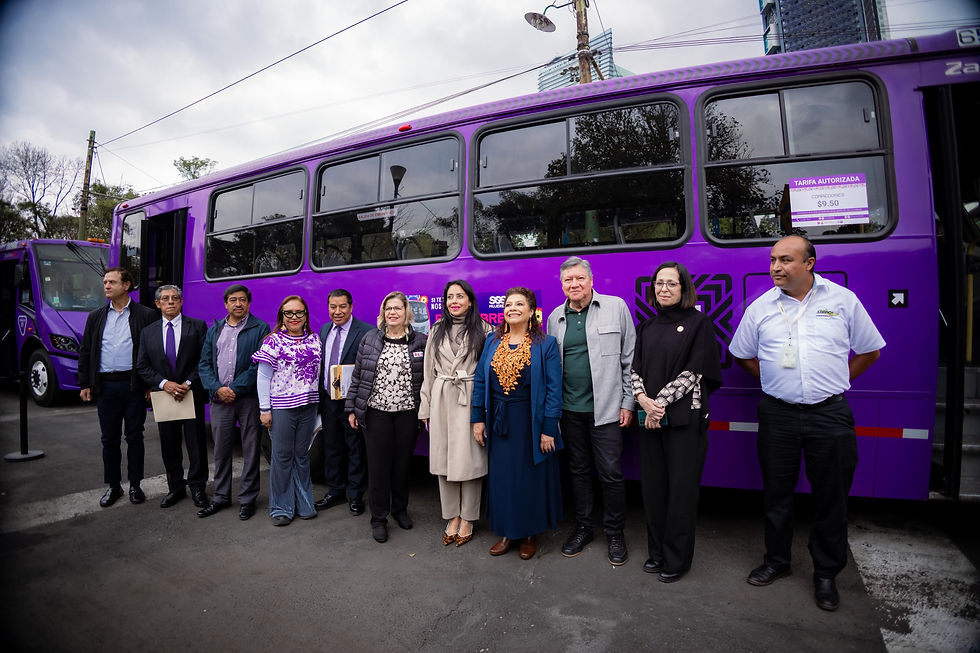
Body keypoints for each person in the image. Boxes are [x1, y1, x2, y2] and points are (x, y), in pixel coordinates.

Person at [730, 235, 885, 611]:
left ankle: (826, 574)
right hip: (778, 413)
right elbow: (742, 355)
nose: (775, 268)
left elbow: (870, 350)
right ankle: (777, 562)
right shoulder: (761, 307)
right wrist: (773, 382)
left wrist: (837, 382)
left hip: (829, 413)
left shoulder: (842, 301)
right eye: (772, 260)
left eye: (785, 260)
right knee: (777, 496)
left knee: (831, 498)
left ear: (809, 263)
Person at [631, 262, 722, 583]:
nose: (664, 289)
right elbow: (635, 370)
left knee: (680, 493)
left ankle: (677, 559)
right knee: (654, 491)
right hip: (651, 421)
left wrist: (660, 403)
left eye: (671, 283)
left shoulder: (699, 324)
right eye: (659, 283)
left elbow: (696, 370)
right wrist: (643, 400)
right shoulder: (646, 327)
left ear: (684, 288)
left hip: (685, 420)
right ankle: (657, 554)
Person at [546, 256, 635, 566]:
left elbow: (629, 359)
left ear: (591, 280)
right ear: (562, 285)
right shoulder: (556, 317)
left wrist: (628, 402)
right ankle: (584, 527)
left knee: (611, 474)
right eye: (568, 280)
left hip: (607, 410)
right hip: (569, 411)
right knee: (579, 471)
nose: (574, 284)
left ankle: (615, 532)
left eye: (579, 278)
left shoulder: (616, 307)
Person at [472, 287, 563, 560]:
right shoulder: (491, 341)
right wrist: (477, 418)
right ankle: (507, 532)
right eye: (509, 304)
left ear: (531, 310)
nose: (512, 308)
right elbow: (479, 380)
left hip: (530, 423)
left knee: (528, 479)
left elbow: (554, 389)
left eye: (519, 304)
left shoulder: (545, 343)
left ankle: (529, 533)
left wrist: (548, 428)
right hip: (499, 422)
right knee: (503, 479)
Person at [346, 291, 427, 544]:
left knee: (402, 465)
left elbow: (427, 379)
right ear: (383, 313)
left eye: (398, 309)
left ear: (407, 313)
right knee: (379, 468)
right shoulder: (370, 339)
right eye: (388, 308)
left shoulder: (421, 341)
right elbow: (358, 376)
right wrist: (352, 408)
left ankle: (400, 510)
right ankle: (379, 518)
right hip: (376, 412)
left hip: (407, 414)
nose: (392, 312)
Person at [419, 280, 492, 547]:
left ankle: (469, 517)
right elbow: (428, 372)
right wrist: (425, 407)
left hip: (469, 397)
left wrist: (483, 410)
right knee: (444, 460)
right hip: (440, 397)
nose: (454, 301)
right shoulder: (437, 330)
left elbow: (487, 374)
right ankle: (451, 515)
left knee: (469, 461)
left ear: (470, 301)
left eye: (460, 296)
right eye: (450, 297)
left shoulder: (485, 330)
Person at [78, 267, 157, 507]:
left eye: (112, 282)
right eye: (104, 282)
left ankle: (135, 485)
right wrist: (85, 382)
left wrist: (151, 384)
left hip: (133, 385)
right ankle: (114, 487)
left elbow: (154, 352)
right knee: (109, 439)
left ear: (127, 285)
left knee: (134, 436)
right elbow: (86, 351)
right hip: (105, 386)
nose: (106, 286)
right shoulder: (96, 317)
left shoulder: (146, 315)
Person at [197, 284, 271, 520]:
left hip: (247, 400)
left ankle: (247, 500)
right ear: (226, 303)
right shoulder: (215, 328)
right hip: (220, 400)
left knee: (250, 450)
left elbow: (258, 365)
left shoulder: (260, 328)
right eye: (232, 300)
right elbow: (205, 364)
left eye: (242, 300)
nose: (238, 304)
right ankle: (220, 497)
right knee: (221, 451)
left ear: (249, 303)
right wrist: (218, 388)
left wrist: (234, 390)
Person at [136, 285, 209, 509]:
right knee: (169, 444)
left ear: (181, 302)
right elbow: (143, 366)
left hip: (190, 393)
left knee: (196, 443)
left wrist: (187, 383)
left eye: (175, 298)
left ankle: (197, 486)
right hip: (164, 396)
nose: (170, 302)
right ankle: (175, 487)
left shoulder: (197, 326)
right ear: (157, 304)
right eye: (165, 299)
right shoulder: (148, 332)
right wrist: (164, 384)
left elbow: (205, 361)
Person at [252, 295, 321, 526]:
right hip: (282, 408)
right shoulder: (273, 342)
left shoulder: (314, 339)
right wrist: (265, 409)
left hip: (309, 407)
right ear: (282, 316)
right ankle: (281, 507)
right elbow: (263, 377)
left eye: (299, 312)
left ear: (306, 316)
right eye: (288, 313)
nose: (294, 317)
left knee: (301, 456)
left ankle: (304, 503)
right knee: (282, 457)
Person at [314, 289, 373, 516]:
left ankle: (356, 495)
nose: (337, 312)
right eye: (332, 307)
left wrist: (359, 403)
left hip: (352, 402)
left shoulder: (366, 332)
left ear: (351, 307)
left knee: (355, 448)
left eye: (342, 307)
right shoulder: (325, 330)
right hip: (329, 399)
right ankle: (335, 490)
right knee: (331, 446)